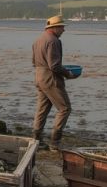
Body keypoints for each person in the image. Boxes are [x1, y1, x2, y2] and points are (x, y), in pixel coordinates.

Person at [32, 15, 79, 149]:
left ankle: (36, 140)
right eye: (62, 27)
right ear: (55, 28)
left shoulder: (38, 40)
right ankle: (55, 142)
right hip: (50, 78)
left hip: (39, 77)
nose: (64, 30)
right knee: (65, 108)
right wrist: (68, 73)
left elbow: (34, 62)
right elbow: (54, 66)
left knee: (42, 110)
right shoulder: (54, 41)